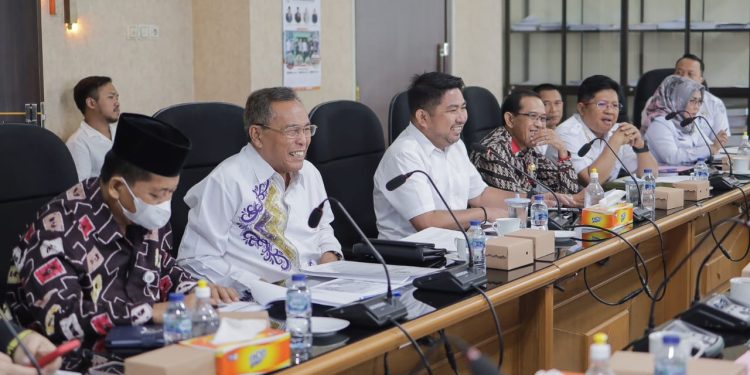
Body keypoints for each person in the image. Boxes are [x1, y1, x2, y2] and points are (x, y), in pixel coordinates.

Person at [6, 113, 238, 345]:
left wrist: (197, 291)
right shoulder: (58, 229)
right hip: (68, 356)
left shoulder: (143, 214)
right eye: (157, 194)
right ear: (117, 187)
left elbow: (163, 268)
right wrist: (153, 312)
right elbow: (59, 318)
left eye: (171, 192)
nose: (164, 205)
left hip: (147, 344)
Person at [177, 87, 342, 292]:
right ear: (257, 135)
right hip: (257, 302)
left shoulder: (309, 173)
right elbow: (195, 259)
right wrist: (254, 286)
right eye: (292, 131)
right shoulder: (226, 181)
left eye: (307, 129)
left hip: (320, 290)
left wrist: (330, 256)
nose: (303, 140)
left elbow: (323, 228)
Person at [373, 72, 515, 240]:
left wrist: (534, 200)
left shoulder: (455, 145)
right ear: (423, 117)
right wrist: (484, 214)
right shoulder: (403, 154)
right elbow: (427, 222)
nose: (463, 118)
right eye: (453, 110)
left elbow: (480, 195)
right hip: (411, 257)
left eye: (463, 107)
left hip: (455, 246)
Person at [470, 89, 582, 206]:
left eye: (543, 118)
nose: (539, 124)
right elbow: (517, 202)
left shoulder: (528, 149)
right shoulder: (492, 152)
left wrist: (562, 151)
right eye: (533, 116)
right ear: (510, 119)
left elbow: (569, 192)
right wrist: (566, 199)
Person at [555, 75, 658, 185]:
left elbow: (650, 175)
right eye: (602, 104)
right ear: (582, 108)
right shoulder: (566, 133)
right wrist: (615, 142)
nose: (610, 111)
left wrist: (640, 147)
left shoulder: (616, 130)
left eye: (615, 105)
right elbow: (591, 182)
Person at [641, 54, 730, 139]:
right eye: (679, 73)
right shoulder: (657, 102)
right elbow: (649, 136)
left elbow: (719, 141)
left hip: (706, 153)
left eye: (690, 74)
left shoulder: (715, 104)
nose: (683, 78)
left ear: (701, 80)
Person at [642, 75, 727, 165]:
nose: (697, 107)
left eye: (699, 101)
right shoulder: (659, 123)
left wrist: (717, 144)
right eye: (692, 101)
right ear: (677, 99)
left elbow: (709, 147)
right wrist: (710, 149)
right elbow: (672, 157)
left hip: (689, 174)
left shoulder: (689, 122)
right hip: (663, 177)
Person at [66, 76, 121, 181]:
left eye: (117, 98)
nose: (117, 103)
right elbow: (83, 191)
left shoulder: (122, 131)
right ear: (91, 103)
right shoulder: (78, 143)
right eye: (111, 97)